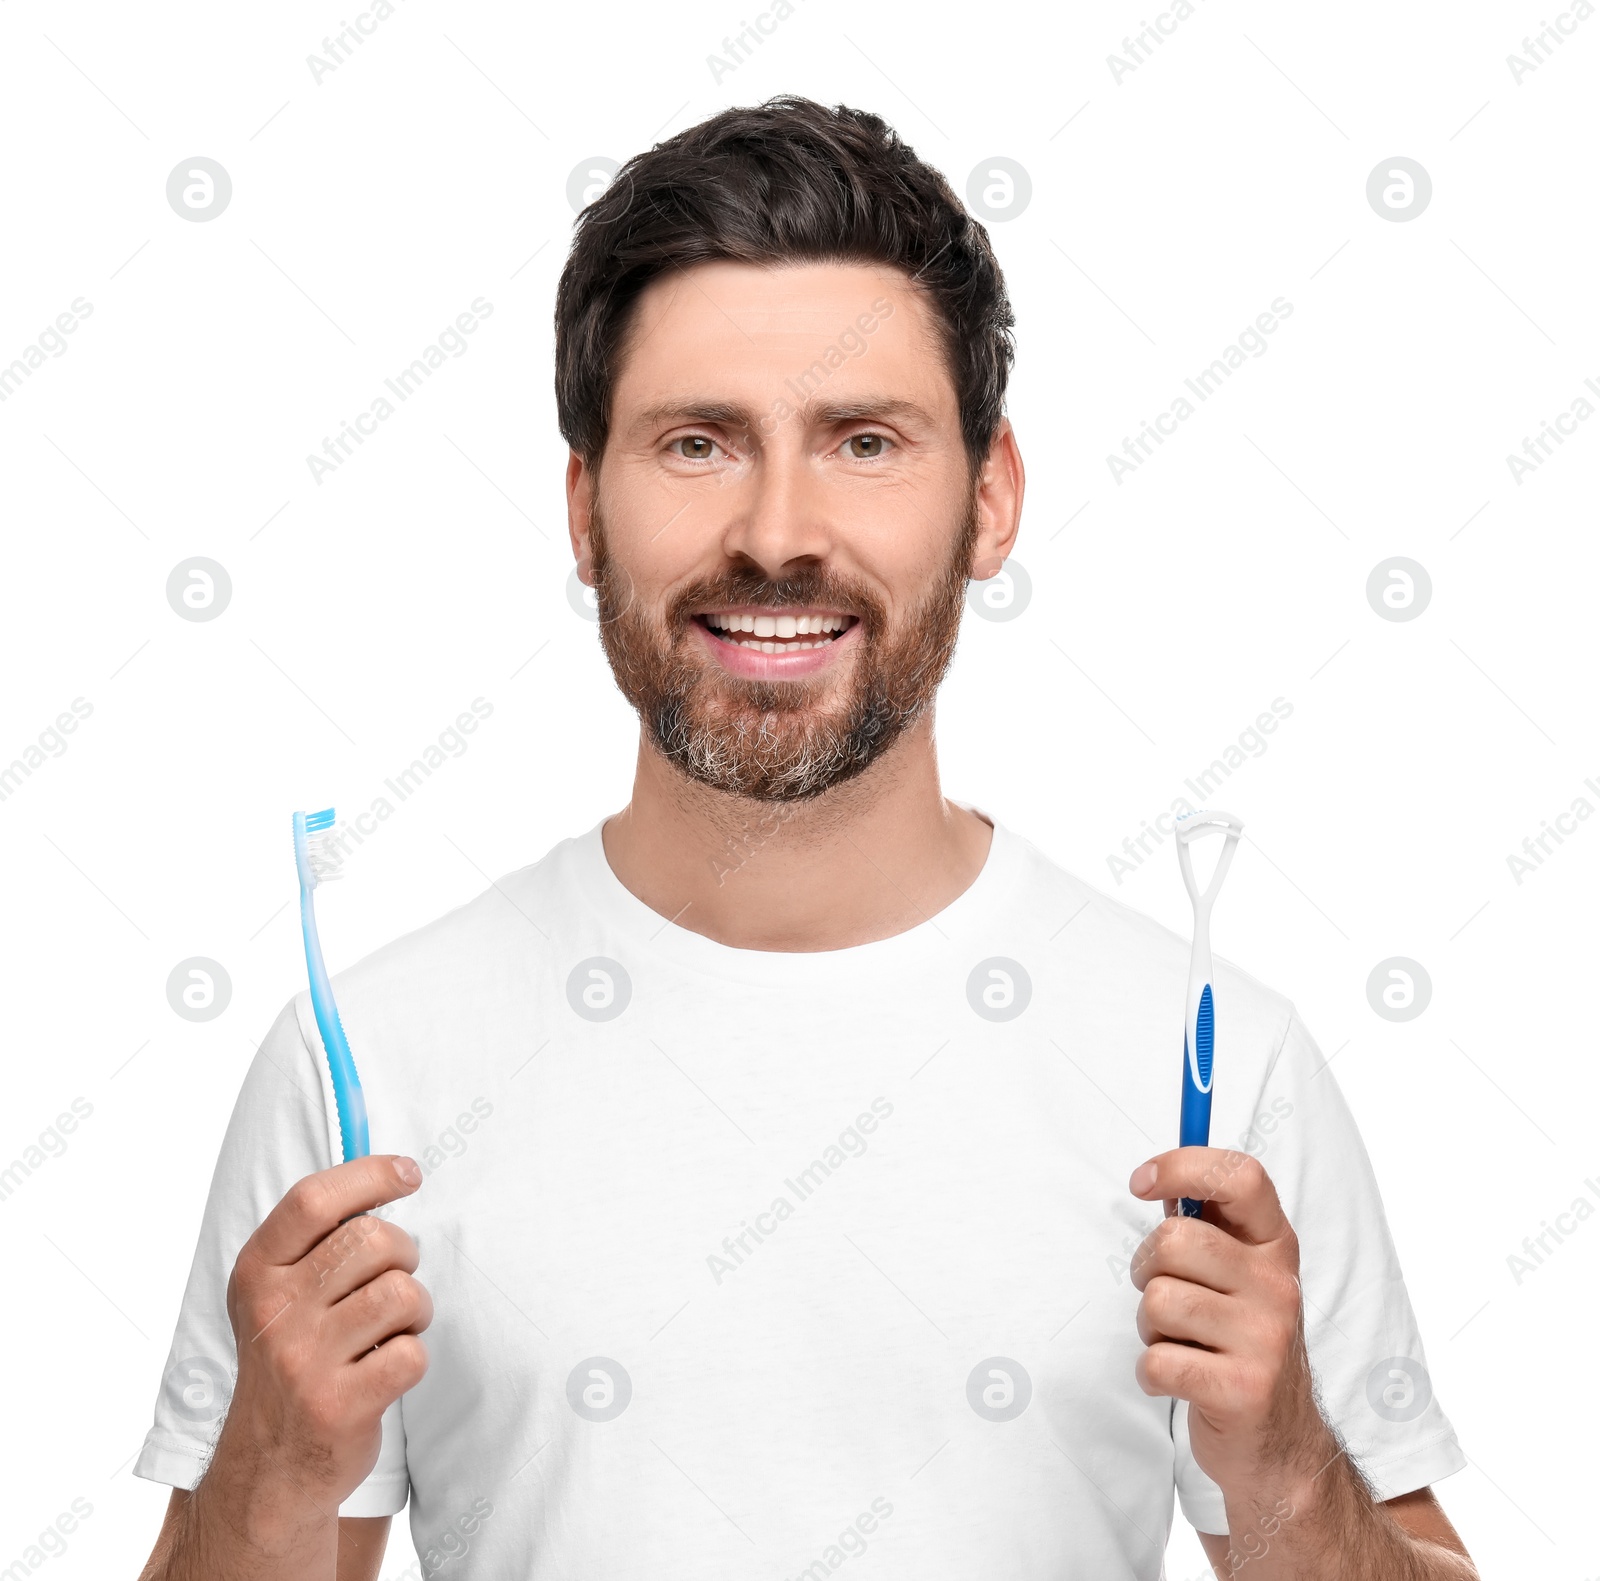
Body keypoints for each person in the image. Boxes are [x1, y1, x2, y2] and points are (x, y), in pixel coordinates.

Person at [135, 96, 1477, 1581]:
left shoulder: (1211, 1062)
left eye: (864, 441)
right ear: (586, 509)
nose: (779, 530)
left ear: (992, 495)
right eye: (698, 442)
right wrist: (261, 1485)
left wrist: (1285, 1469)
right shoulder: (361, 1069)